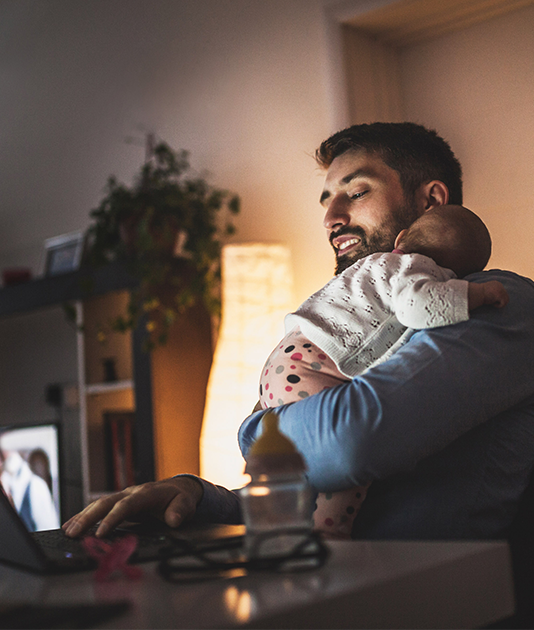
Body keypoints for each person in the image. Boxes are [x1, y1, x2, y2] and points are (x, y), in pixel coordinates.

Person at [63, 122, 534, 545]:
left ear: (431, 200)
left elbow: (350, 442)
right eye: (327, 199)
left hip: (432, 605)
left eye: (357, 192)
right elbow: (298, 498)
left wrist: (253, 432)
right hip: (330, 587)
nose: (332, 218)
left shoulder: (504, 303)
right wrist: (195, 496)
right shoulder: (365, 327)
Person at [260, 204, 508, 538]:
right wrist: (477, 293)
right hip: (316, 363)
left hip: (285, 359)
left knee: (298, 472)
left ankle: (281, 526)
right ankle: (329, 533)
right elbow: (418, 307)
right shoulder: (417, 268)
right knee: (346, 469)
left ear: (401, 238)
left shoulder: (372, 266)